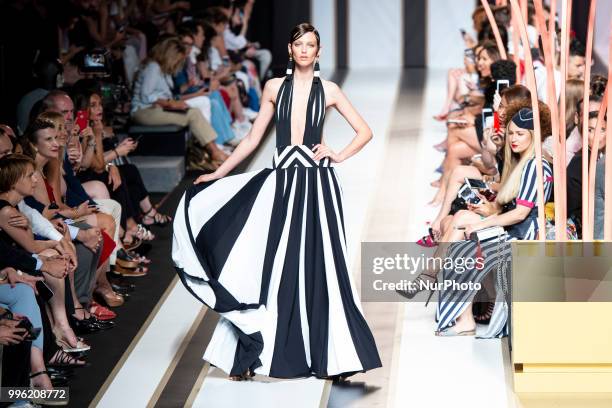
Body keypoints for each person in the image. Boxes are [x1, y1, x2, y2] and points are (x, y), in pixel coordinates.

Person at [172, 23, 382, 380]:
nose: (304, 50)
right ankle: (252, 353)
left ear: (319, 51)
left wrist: (338, 154)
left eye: (310, 45)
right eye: (299, 44)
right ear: (290, 49)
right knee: (267, 266)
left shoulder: (329, 90)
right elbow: (253, 139)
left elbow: (365, 131)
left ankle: (334, 355)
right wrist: (219, 173)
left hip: (318, 186)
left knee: (323, 266)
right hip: (281, 184)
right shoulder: (273, 87)